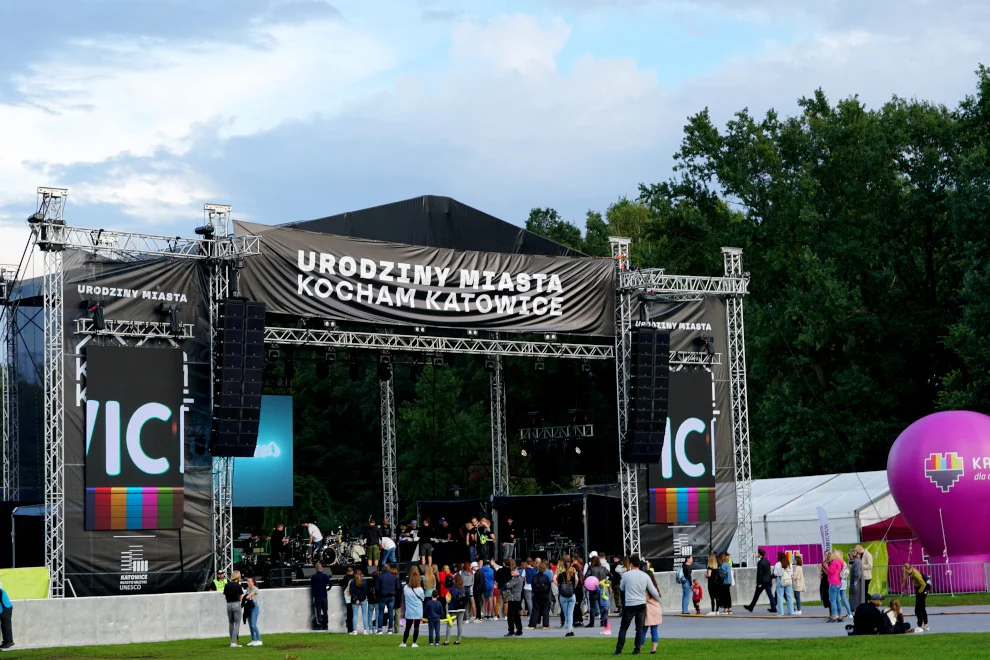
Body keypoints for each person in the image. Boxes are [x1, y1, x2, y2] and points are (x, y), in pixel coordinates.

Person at [613, 555, 659, 655]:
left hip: (630, 603)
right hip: (641, 603)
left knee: (624, 628)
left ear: (631, 563)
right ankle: (637, 649)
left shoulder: (626, 575)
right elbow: (653, 591)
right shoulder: (645, 575)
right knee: (639, 628)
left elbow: (622, 588)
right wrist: (658, 600)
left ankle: (619, 649)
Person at [638, 567, 663, 654]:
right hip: (656, 609)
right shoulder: (656, 586)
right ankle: (653, 650)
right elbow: (658, 597)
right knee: (654, 630)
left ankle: (639, 648)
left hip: (647, 610)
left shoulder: (643, 587)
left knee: (643, 631)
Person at [744, 548, 776, 613]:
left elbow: (759, 573)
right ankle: (774, 607)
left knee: (756, 595)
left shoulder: (760, 562)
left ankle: (751, 607)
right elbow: (768, 571)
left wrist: (759, 583)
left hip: (762, 582)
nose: (757, 554)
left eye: (758, 553)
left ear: (760, 554)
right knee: (770, 595)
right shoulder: (767, 561)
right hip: (768, 581)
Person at [401, 568, 426, 647]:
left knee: (407, 627)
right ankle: (414, 643)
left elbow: (405, 595)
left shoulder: (406, 588)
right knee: (416, 627)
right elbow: (423, 598)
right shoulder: (420, 589)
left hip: (409, 610)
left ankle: (404, 642)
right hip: (418, 610)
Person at [904, 563, 930, 632]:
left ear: (909, 569)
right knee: (922, 608)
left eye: (906, 572)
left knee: (918, 609)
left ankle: (919, 626)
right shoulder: (912, 572)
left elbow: (923, 584)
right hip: (921, 590)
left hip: (921, 590)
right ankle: (926, 625)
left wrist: (919, 592)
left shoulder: (915, 574)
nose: (906, 573)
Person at [588, 556, 611, 630]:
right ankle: (603, 621)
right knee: (602, 606)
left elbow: (586, 576)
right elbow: (611, 574)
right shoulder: (603, 568)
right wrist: (606, 582)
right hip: (602, 588)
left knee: (592, 607)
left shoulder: (590, 568)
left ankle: (592, 623)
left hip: (593, 589)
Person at [445, 573, 468, 645]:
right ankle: (458, 640)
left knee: (449, 624)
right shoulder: (463, 589)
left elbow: (447, 599)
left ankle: (447, 640)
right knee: (460, 625)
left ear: (454, 580)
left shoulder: (451, 590)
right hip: (462, 608)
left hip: (453, 609)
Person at [528, 562, 553, 630]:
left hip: (537, 595)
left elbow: (532, 586)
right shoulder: (546, 577)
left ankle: (533, 624)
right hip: (545, 595)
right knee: (545, 610)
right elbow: (549, 586)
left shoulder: (534, 577)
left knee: (535, 610)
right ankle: (545, 624)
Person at [223, 570, 245, 647]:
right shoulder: (238, 586)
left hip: (229, 604)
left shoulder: (227, 585)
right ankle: (233, 642)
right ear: (238, 577)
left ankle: (231, 641)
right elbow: (240, 597)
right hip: (236, 604)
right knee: (237, 623)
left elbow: (225, 595)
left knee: (231, 623)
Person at [557, 562, 579, 636]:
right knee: (570, 613)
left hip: (563, 595)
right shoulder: (573, 572)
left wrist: (559, 586)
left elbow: (555, 580)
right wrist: (575, 586)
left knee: (566, 613)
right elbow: (577, 579)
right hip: (571, 594)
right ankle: (570, 629)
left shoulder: (560, 573)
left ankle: (569, 629)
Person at [825, 550, 846, 623]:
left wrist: (826, 566)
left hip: (833, 582)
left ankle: (834, 616)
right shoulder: (840, 562)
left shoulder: (834, 562)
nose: (829, 556)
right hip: (838, 582)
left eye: (830, 554)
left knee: (832, 600)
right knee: (837, 600)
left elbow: (830, 571)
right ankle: (840, 616)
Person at [310, 562, 332, 630]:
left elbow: (312, 585)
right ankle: (326, 624)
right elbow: (331, 583)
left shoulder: (313, 577)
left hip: (317, 596)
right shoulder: (324, 576)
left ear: (315, 569)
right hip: (324, 596)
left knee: (318, 611)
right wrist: (328, 588)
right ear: (321, 568)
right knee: (325, 611)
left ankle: (319, 624)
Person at [378, 563, 399, 634]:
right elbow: (397, 587)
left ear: (382, 569)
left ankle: (380, 629)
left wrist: (379, 594)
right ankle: (390, 629)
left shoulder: (380, 577)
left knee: (381, 613)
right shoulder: (393, 577)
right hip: (391, 596)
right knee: (390, 613)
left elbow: (377, 588)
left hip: (382, 596)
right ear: (389, 569)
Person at [504, 566, 524, 636]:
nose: (512, 572)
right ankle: (519, 630)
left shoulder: (516, 579)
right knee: (516, 615)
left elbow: (507, 585)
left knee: (511, 616)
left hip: (514, 599)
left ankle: (512, 631)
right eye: (511, 570)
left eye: (514, 570)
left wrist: (507, 584)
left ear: (517, 571)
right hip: (515, 598)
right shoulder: (516, 578)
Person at [242, 576, 262, 646]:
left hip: (254, 608)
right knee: (250, 625)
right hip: (249, 607)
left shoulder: (255, 589)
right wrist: (247, 598)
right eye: (247, 581)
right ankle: (253, 640)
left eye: (249, 581)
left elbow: (247, 597)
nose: (248, 583)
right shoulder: (248, 589)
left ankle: (259, 640)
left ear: (253, 582)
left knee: (253, 625)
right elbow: (246, 597)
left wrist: (247, 597)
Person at [342, 566, 356, 633]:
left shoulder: (345, 578)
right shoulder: (355, 578)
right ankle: (353, 628)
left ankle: (350, 629)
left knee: (349, 612)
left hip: (347, 596)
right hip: (353, 596)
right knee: (353, 613)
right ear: (352, 572)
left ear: (347, 572)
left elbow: (341, 584)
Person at [0, 584, 14, 651]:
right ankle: (6, 642)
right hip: (6, 607)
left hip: (5, 608)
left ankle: (9, 641)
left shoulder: (0, 591)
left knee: (6, 625)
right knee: (4, 625)